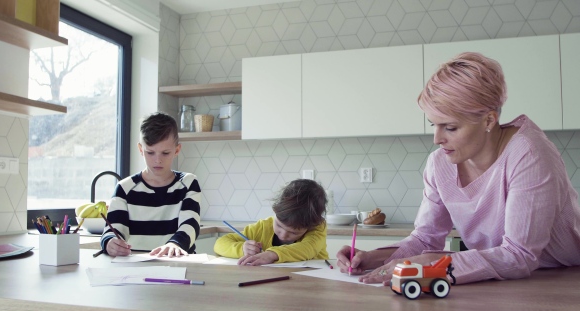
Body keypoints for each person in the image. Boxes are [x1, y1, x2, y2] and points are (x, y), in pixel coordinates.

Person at [337, 52, 580, 285]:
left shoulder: (529, 154)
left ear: (488, 120)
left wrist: (436, 262)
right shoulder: (439, 164)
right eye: (434, 124)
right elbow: (424, 238)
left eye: (450, 127)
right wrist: (372, 257)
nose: (437, 139)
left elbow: (519, 256)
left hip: (564, 278)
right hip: (502, 279)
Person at [100, 112, 201, 257]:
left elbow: (190, 225)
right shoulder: (124, 188)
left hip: (179, 263)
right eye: (150, 152)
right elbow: (113, 230)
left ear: (177, 150)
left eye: (165, 153)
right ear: (141, 149)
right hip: (136, 266)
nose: (157, 160)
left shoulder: (188, 183)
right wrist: (110, 243)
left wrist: (175, 244)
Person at [214, 179, 329, 265]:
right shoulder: (262, 227)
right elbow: (219, 244)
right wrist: (242, 249)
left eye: (293, 233)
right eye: (279, 225)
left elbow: (307, 249)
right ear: (275, 212)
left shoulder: (317, 228)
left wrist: (272, 254)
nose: (283, 234)